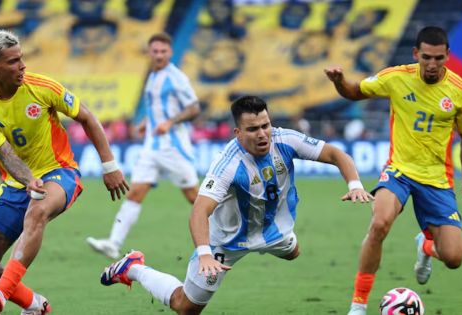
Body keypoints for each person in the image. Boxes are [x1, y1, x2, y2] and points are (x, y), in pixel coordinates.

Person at [98, 95, 373, 314]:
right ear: (238, 132)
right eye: (253, 129)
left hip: (273, 231)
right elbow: (199, 211)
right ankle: (133, 267)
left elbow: (336, 154)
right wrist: (205, 253)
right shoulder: (227, 164)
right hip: (226, 242)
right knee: (186, 307)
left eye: (265, 125)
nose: (263, 134)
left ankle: (280, 240)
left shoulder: (285, 139)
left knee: (294, 252)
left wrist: (355, 185)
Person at [0, 30, 129, 315]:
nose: (23, 66)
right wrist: (28, 180)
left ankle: (0, 296)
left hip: (60, 171)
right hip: (18, 183)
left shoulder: (41, 86)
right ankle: (35, 305)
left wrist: (110, 166)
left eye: (22, 58)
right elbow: (5, 152)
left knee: (37, 212)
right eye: (13, 61)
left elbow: (86, 117)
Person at [323, 26, 462, 315]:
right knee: (380, 222)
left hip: (437, 179)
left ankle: (426, 248)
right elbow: (354, 92)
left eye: (438, 58)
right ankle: (358, 306)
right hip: (400, 170)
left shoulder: (460, 92)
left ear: (447, 56)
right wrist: (339, 81)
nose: (432, 64)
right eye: (426, 57)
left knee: (454, 257)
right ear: (415, 54)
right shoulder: (396, 77)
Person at [86, 32, 201, 259]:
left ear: (170, 52)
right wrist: (146, 123)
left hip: (173, 147)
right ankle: (113, 243)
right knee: (135, 192)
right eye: (155, 51)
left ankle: (229, 229)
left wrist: (170, 122)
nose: (158, 55)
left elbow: (194, 108)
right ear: (149, 53)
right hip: (152, 147)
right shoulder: (153, 75)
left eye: (163, 51)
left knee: (194, 197)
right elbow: (160, 107)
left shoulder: (175, 77)